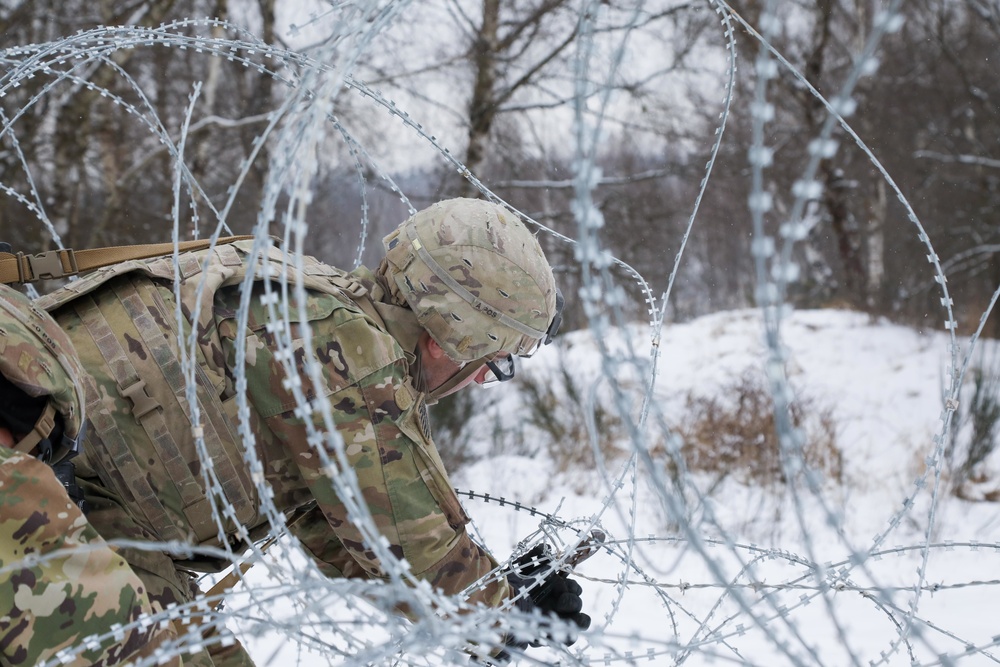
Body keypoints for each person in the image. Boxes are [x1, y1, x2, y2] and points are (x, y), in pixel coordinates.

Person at [0, 198, 588, 666]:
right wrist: (504, 606)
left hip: (90, 502)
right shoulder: (348, 350)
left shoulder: (324, 318)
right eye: (496, 360)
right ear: (448, 339)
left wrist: (496, 599)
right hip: (41, 478)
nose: (485, 378)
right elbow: (409, 541)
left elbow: (342, 535)